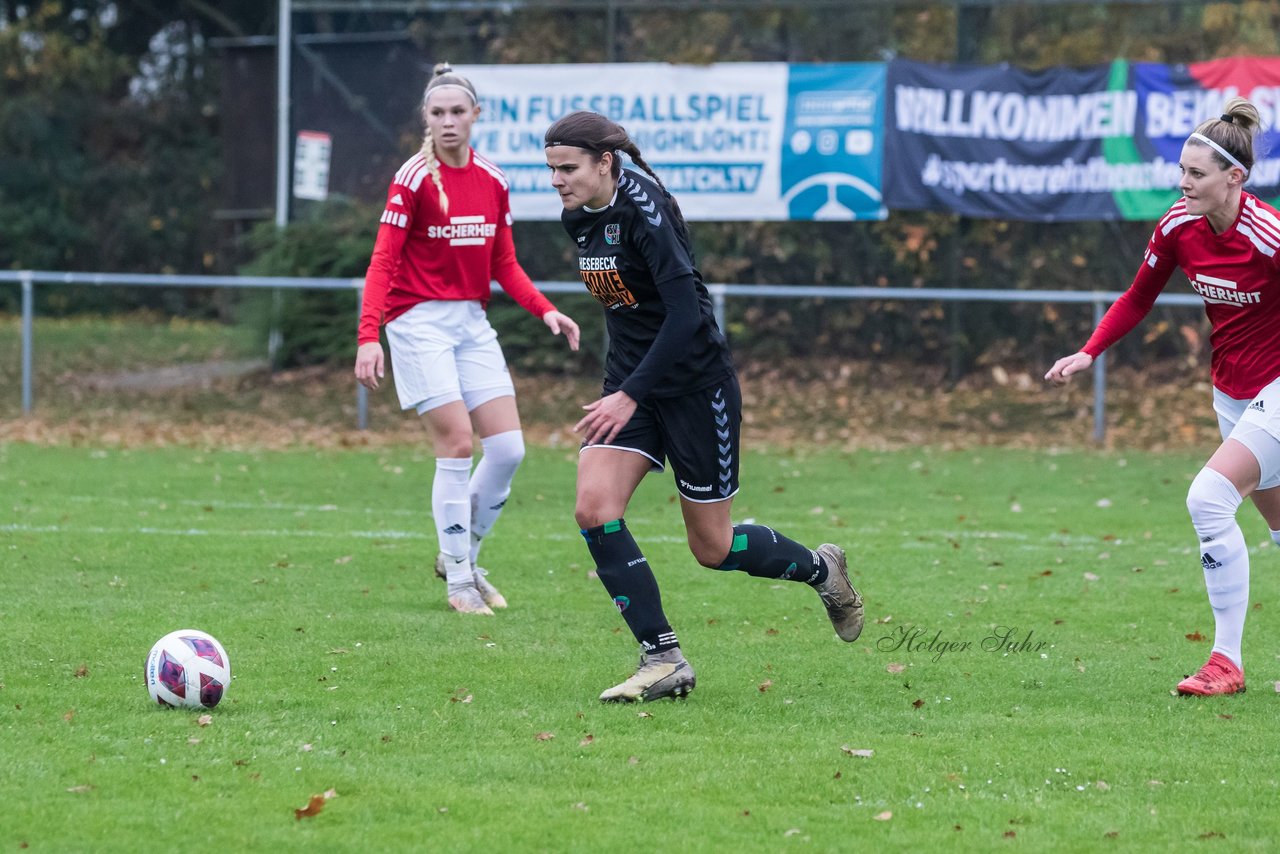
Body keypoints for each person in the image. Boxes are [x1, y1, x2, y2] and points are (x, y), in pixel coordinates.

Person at [543, 110, 864, 703]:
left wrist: (632, 391)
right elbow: (627, 309)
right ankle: (662, 658)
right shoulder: (578, 217)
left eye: (568, 168)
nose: (557, 181)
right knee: (593, 508)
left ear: (604, 162)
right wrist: (628, 387)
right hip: (631, 386)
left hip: (695, 387)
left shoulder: (646, 211)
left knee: (712, 548)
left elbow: (687, 314)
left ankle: (823, 569)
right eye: (552, 170)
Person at [1046, 96, 1280, 696]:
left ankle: (1225, 662)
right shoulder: (1179, 225)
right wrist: (1090, 351)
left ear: (1235, 178)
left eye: (1196, 174)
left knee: (1208, 498)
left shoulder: (1267, 233)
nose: (1183, 183)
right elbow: (1137, 296)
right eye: (1181, 170)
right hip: (1233, 395)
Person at [356, 63, 580, 616]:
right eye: (438, 113)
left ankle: (462, 555)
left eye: (459, 111)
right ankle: (459, 581)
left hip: (471, 324)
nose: (449, 121)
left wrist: (546, 309)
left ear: (477, 115)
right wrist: (368, 336)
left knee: (507, 449)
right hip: (416, 323)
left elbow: (504, 263)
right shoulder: (412, 178)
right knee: (457, 443)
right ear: (426, 119)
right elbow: (383, 260)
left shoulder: (493, 180)